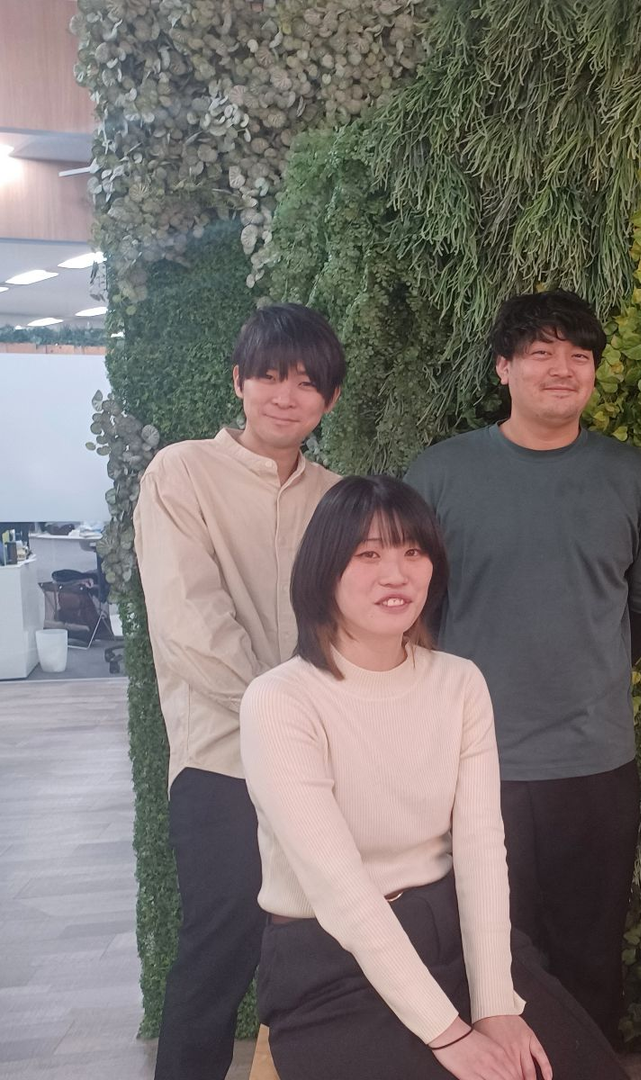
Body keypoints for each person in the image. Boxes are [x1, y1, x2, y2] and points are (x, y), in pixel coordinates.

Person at [240, 475, 627, 1080]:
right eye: (368, 554)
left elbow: (480, 848)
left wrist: (495, 1006)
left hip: (451, 936)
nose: (395, 574)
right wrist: (449, 1035)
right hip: (329, 958)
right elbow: (341, 890)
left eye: (412, 551)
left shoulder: (459, 682)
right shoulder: (280, 700)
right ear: (323, 569)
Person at [405, 289, 641, 1040]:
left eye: (579, 355)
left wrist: (589, 670)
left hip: (594, 765)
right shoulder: (440, 475)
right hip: (471, 764)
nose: (562, 368)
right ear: (503, 367)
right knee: (489, 955)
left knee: (591, 957)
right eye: (540, 352)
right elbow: (409, 609)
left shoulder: (631, 477)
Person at [134, 303, 345, 1080]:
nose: (286, 397)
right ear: (238, 381)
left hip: (326, 767)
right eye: (269, 377)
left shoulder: (340, 498)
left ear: (330, 399)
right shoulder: (180, 474)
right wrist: (284, 722)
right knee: (217, 955)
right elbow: (189, 624)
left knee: (325, 956)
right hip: (222, 762)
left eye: (307, 383)